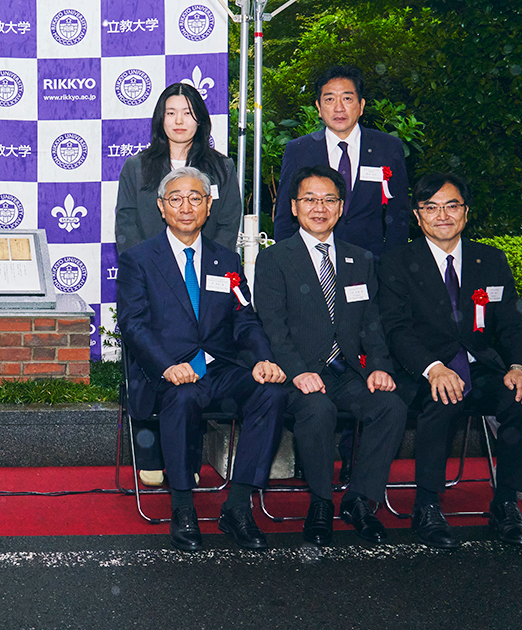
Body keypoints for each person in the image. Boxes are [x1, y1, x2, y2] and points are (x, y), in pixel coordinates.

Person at [116, 166, 287, 552]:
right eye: (176, 199)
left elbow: (245, 317)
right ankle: (183, 507)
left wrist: (262, 358)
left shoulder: (226, 261)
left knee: (271, 394)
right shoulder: (138, 260)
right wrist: (167, 366)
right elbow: (133, 324)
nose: (186, 207)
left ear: (209, 206)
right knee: (183, 398)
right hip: (167, 372)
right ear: (161, 208)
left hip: (218, 367)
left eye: (196, 198)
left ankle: (238, 505)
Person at [378, 173, 522, 549]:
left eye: (452, 206)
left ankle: (506, 504)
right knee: (442, 398)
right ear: (418, 217)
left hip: (480, 368)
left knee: (520, 400)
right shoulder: (398, 262)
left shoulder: (490, 260)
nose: (442, 215)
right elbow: (396, 330)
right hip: (421, 370)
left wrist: (519, 368)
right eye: (431, 208)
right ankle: (427, 505)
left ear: (466, 213)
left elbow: (514, 324)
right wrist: (433, 368)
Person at [254, 165, 407, 546]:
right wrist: (298, 372)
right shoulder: (275, 260)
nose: (319, 207)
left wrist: (380, 367)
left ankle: (359, 501)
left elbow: (372, 323)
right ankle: (321, 501)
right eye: (309, 199)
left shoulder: (360, 259)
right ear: (293, 206)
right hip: (298, 374)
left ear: (341, 208)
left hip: (347, 374)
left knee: (390, 406)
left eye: (329, 200)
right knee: (317, 410)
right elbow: (273, 327)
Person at [273, 65, 409, 258]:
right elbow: (285, 216)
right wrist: (288, 262)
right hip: (314, 261)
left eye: (347, 98)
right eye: (329, 99)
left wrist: (392, 266)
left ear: (361, 106)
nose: (339, 108)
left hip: (371, 262)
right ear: (319, 108)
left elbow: (399, 215)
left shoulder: (387, 148)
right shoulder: (299, 150)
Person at [116, 82, 241, 255]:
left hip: (205, 270)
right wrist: (147, 268)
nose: (179, 120)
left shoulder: (222, 167)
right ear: (161, 119)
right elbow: (126, 226)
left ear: (200, 120)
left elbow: (228, 224)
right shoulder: (136, 167)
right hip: (150, 272)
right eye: (171, 113)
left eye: (188, 113)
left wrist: (208, 265)